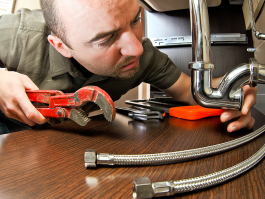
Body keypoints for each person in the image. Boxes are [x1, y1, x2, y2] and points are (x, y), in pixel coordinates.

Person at [0, 0, 256, 133]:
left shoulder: (145, 56)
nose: (136, 48)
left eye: (136, 20)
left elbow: (191, 89)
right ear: (61, 46)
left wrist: (232, 87)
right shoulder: (15, 34)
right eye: (106, 38)